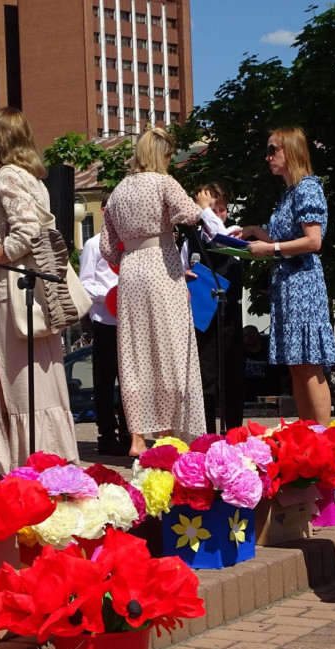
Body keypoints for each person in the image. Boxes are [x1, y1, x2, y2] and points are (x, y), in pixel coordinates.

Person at [0, 107, 78, 473]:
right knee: (42, 381)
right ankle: (52, 462)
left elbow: (27, 232)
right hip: (36, 293)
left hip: (16, 293)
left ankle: (26, 469)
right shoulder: (33, 178)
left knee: (19, 387)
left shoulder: (7, 176)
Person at [99, 127, 206, 455]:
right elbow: (190, 214)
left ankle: (136, 439)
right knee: (169, 347)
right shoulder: (163, 183)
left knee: (134, 353)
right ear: (161, 155)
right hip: (161, 267)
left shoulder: (117, 192)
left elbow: (106, 246)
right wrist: (199, 206)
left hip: (131, 271)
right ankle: (167, 432)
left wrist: (128, 255)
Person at [240, 126, 335, 425]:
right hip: (287, 284)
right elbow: (285, 237)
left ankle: (325, 440)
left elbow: (313, 241)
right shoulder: (289, 192)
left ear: (291, 150)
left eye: (273, 150)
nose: (267, 157)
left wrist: (271, 247)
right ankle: (308, 434)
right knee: (296, 365)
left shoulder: (307, 187)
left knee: (308, 364)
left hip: (303, 284)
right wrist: (258, 233)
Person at [182, 183, 245, 433]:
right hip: (203, 314)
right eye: (214, 209)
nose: (219, 215)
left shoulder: (234, 234)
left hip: (230, 313)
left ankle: (234, 433)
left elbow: (219, 238)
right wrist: (182, 275)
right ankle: (206, 433)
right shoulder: (191, 241)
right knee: (205, 376)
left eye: (222, 210)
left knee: (233, 376)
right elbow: (178, 271)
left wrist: (205, 210)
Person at [79, 200, 129, 455]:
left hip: (130, 320)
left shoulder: (131, 241)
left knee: (130, 382)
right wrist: (110, 294)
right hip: (105, 319)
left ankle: (129, 433)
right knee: (105, 380)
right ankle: (106, 434)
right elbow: (85, 283)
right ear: (103, 211)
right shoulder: (93, 244)